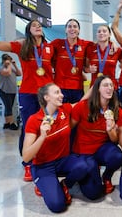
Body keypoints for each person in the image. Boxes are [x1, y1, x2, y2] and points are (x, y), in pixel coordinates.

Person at [0, 10, 55, 182]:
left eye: (39, 25)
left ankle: (46, 159)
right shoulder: (22, 46)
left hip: (47, 95)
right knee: (28, 128)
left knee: (48, 126)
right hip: (28, 94)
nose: (37, 26)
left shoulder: (50, 47)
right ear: (28, 30)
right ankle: (28, 163)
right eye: (33, 25)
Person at [22, 83, 89, 213]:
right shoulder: (34, 120)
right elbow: (26, 156)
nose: (62, 95)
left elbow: (82, 102)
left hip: (63, 160)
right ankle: (42, 183)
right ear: (46, 97)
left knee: (83, 166)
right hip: (43, 166)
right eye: (57, 93)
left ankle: (65, 184)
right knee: (57, 206)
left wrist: (95, 86)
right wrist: (41, 137)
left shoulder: (65, 109)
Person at [70, 75, 122, 199]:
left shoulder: (116, 109)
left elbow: (115, 140)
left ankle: (107, 177)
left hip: (102, 149)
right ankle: (84, 173)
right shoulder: (82, 106)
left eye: (111, 85)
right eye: (105, 85)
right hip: (84, 152)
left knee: (117, 156)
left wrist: (110, 129)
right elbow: (69, 129)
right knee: (94, 194)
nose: (109, 88)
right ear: (97, 89)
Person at [52, 18, 91, 103]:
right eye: (69, 27)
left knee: (77, 115)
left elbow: (101, 44)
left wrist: (112, 43)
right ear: (66, 30)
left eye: (75, 26)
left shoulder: (85, 44)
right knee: (62, 115)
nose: (72, 29)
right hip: (60, 87)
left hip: (78, 88)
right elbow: (43, 46)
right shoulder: (57, 43)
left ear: (79, 30)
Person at [85, 25, 122, 90]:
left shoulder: (116, 50)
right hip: (95, 87)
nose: (101, 33)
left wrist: (120, 66)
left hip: (111, 87)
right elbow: (85, 68)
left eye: (104, 31)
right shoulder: (90, 49)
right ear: (96, 34)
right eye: (99, 31)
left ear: (109, 34)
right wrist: (89, 69)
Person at [0, 53, 22, 130]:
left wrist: (14, 65)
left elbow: (19, 73)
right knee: (8, 107)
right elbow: (7, 73)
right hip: (4, 90)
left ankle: (7, 123)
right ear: (3, 61)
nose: (9, 62)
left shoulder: (11, 68)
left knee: (9, 107)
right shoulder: (1, 68)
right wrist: (8, 65)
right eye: (7, 61)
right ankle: (12, 123)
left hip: (12, 90)